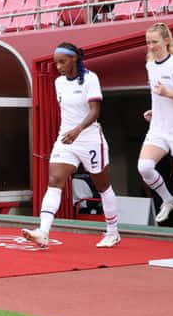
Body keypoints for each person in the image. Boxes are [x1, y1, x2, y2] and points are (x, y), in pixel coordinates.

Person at [23, 43, 121, 249]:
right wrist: (70, 133)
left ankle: (113, 232)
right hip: (66, 139)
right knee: (55, 180)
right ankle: (43, 231)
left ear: (74, 59)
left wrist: (77, 130)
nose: (58, 66)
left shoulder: (91, 79)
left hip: (90, 139)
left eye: (62, 62)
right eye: (56, 62)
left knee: (102, 185)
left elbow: (94, 112)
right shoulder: (58, 82)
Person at [137, 22, 173, 224]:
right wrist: (155, 110)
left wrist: (168, 94)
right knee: (144, 167)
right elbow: (156, 95)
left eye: (155, 41)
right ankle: (168, 200)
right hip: (158, 127)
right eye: (148, 42)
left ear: (166, 41)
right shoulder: (149, 65)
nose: (151, 46)